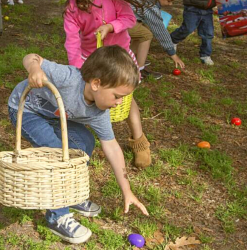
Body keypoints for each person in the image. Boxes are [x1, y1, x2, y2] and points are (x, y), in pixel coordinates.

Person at [8, 46, 149, 244]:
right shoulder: (69, 78)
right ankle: (57, 216)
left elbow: (113, 148)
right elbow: (30, 56)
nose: (118, 103)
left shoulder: (99, 112)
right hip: (27, 111)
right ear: (96, 83)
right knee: (58, 153)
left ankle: (71, 193)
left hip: (58, 118)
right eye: (117, 96)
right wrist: (34, 69)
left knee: (85, 141)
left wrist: (127, 190)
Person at [64, 0, 152, 169]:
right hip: (92, 59)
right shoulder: (73, 8)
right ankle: (80, 142)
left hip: (120, 57)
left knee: (126, 99)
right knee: (85, 99)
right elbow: (72, 42)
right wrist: (78, 70)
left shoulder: (115, 1)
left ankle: (139, 140)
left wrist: (111, 26)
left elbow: (129, 19)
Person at [128, 0, 185, 69]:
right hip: (123, 19)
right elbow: (161, 32)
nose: (170, 4)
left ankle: (129, 58)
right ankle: (139, 68)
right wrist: (173, 54)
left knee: (143, 31)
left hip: (124, 17)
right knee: (146, 35)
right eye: (169, 1)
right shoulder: (151, 7)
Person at [170, 0, 216, 65]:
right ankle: (173, 39)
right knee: (188, 28)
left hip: (207, 10)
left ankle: (205, 55)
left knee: (208, 33)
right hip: (192, 8)